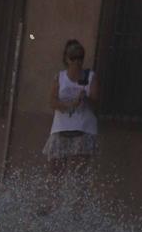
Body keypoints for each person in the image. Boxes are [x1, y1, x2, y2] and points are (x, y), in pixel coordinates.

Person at [40, 39, 100, 214]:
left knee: (80, 172)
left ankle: (77, 209)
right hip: (61, 128)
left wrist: (85, 99)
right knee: (55, 170)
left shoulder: (90, 77)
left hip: (83, 129)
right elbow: (52, 101)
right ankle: (51, 205)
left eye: (80, 57)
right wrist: (69, 106)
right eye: (73, 57)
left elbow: (96, 102)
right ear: (66, 58)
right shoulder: (60, 77)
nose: (77, 61)